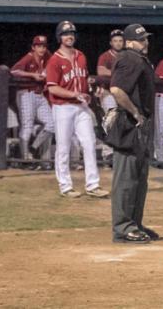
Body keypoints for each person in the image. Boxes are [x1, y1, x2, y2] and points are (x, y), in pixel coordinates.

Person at [46, 21, 106, 198]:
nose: (69, 36)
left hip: (81, 106)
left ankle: (93, 184)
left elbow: (84, 78)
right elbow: (52, 88)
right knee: (63, 147)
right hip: (62, 107)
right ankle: (65, 186)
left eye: (71, 33)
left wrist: (91, 90)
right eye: (65, 34)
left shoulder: (81, 56)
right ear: (59, 37)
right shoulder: (54, 60)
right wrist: (75, 95)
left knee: (89, 143)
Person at [109, 23, 158, 244]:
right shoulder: (129, 57)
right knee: (126, 178)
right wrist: (135, 113)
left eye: (146, 39)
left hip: (140, 125)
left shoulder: (138, 59)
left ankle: (135, 224)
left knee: (139, 178)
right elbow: (117, 90)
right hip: (130, 125)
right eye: (140, 39)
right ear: (129, 42)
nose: (145, 42)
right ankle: (123, 226)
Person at [10, 35, 55, 170]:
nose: (42, 48)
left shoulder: (47, 56)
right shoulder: (29, 57)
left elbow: (54, 64)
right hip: (26, 94)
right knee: (27, 125)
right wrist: (32, 75)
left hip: (39, 95)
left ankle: (33, 148)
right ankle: (25, 158)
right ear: (33, 47)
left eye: (43, 46)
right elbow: (13, 71)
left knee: (52, 123)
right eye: (39, 46)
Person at [96, 29, 125, 113]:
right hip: (108, 90)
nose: (118, 43)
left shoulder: (128, 56)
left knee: (125, 120)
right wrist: (118, 73)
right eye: (115, 41)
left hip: (124, 92)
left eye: (120, 41)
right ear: (111, 43)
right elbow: (100, 71)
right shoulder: (105, 56)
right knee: (112, 116)